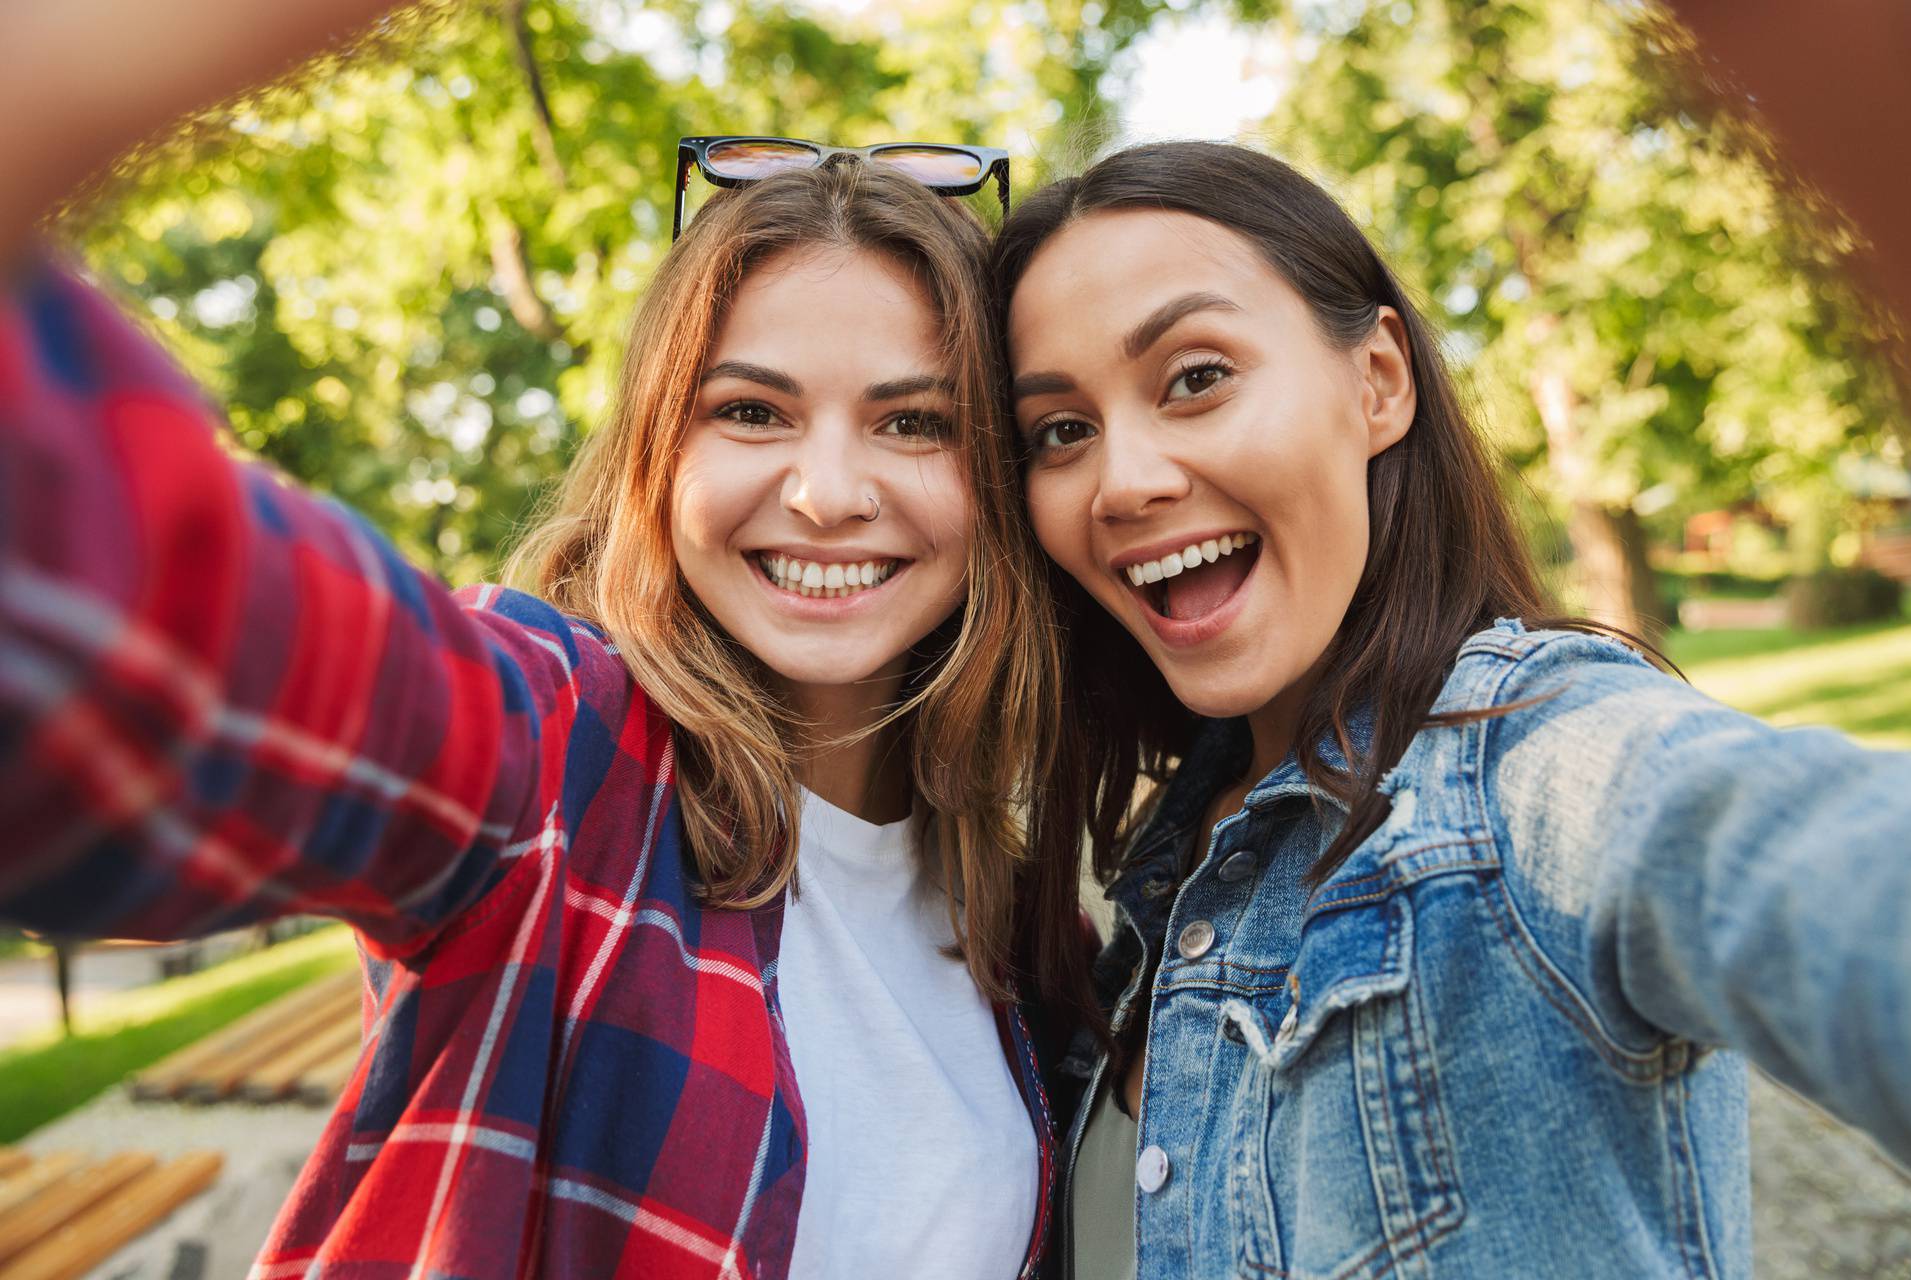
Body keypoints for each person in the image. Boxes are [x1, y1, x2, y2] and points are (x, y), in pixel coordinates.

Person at [0, 6, 1093, 1278]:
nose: (827, 490)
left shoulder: (1028, 925)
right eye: (750, 410)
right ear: (656, 452)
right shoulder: (555, 755)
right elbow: (144, 669)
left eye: (916, 423)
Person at [992, 140, 1911, 1280]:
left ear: (1378, 380)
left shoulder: (1531, 760)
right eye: (1060, 430)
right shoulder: (1161, 873)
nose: (1123, 479)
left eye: (1197, 377)